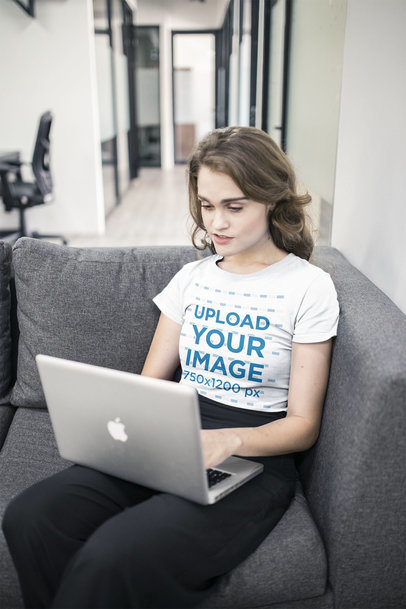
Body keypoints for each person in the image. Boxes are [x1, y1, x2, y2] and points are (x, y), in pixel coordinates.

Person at [2, 126, 339, 609]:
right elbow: (147, 386)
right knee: (30, 516)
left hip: (252, 456)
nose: (216, 222)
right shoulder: (192, 279)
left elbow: (303, 426)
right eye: (206, 205)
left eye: (234, 206)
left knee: (114, 554)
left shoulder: (308, 287)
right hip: (170, 438)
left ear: (271, 199)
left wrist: (230, 440)